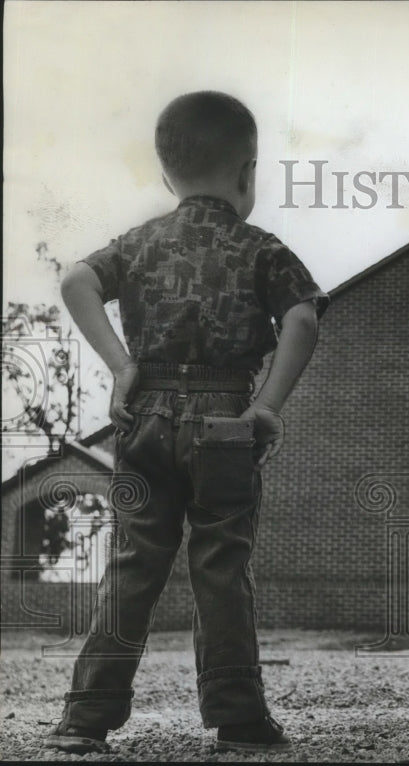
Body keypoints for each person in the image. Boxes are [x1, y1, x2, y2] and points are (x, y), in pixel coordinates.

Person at [45, 91, 329, 754]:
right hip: (225, 421)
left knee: (134, 563)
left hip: (143, 419)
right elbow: (304, 318)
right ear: (247, 172)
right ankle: (238, 720)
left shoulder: (139, 243)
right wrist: (267, 406)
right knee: (221, 564)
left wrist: (122, 367)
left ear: (167, 174)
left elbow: (76, 282)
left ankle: (84, 719)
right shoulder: (261, 248)